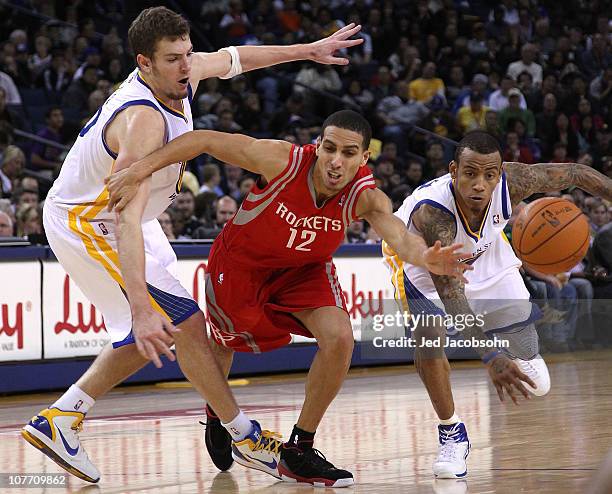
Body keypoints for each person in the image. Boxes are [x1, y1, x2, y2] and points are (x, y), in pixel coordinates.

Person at [21, 6, 367, 485]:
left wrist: (306, 51)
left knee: (165, 332)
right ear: (144, 63)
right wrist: (141, 305)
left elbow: (236, 59)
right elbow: (122, 212)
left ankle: (62, 418)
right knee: (180, 324)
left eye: (187, 54)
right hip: (91, 221)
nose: (187, 66)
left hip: (136, 220)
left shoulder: (181, 76)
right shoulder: (143, 121)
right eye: (173, 59)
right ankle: (244, 433)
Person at [104, 110, 471, 487]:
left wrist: (426, 257)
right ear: (317, 146)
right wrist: (138, 169)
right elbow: (204, 140)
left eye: (348, 153)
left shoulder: (366, 198)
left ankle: (299, 448)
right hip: (243, 265)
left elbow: (398, 235)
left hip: (304, 271)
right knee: (225, 343)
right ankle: (218, 411)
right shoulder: (282, 160)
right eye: (329, 148)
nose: (336, 160)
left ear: (364, 159)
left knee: (340, 337)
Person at [384, 130, 612, 479]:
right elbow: (453, 296)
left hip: (484, 252)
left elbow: (576, 173)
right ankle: (452, 432)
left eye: (489, 175)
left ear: (501, 172)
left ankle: (522, 349)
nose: (479, 184)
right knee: (428, 337)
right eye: (470, 173)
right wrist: (491, 356)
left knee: (538, 381)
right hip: (425, 264)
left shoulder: (514, 182)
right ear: (453, 170)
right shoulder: (435, 215)